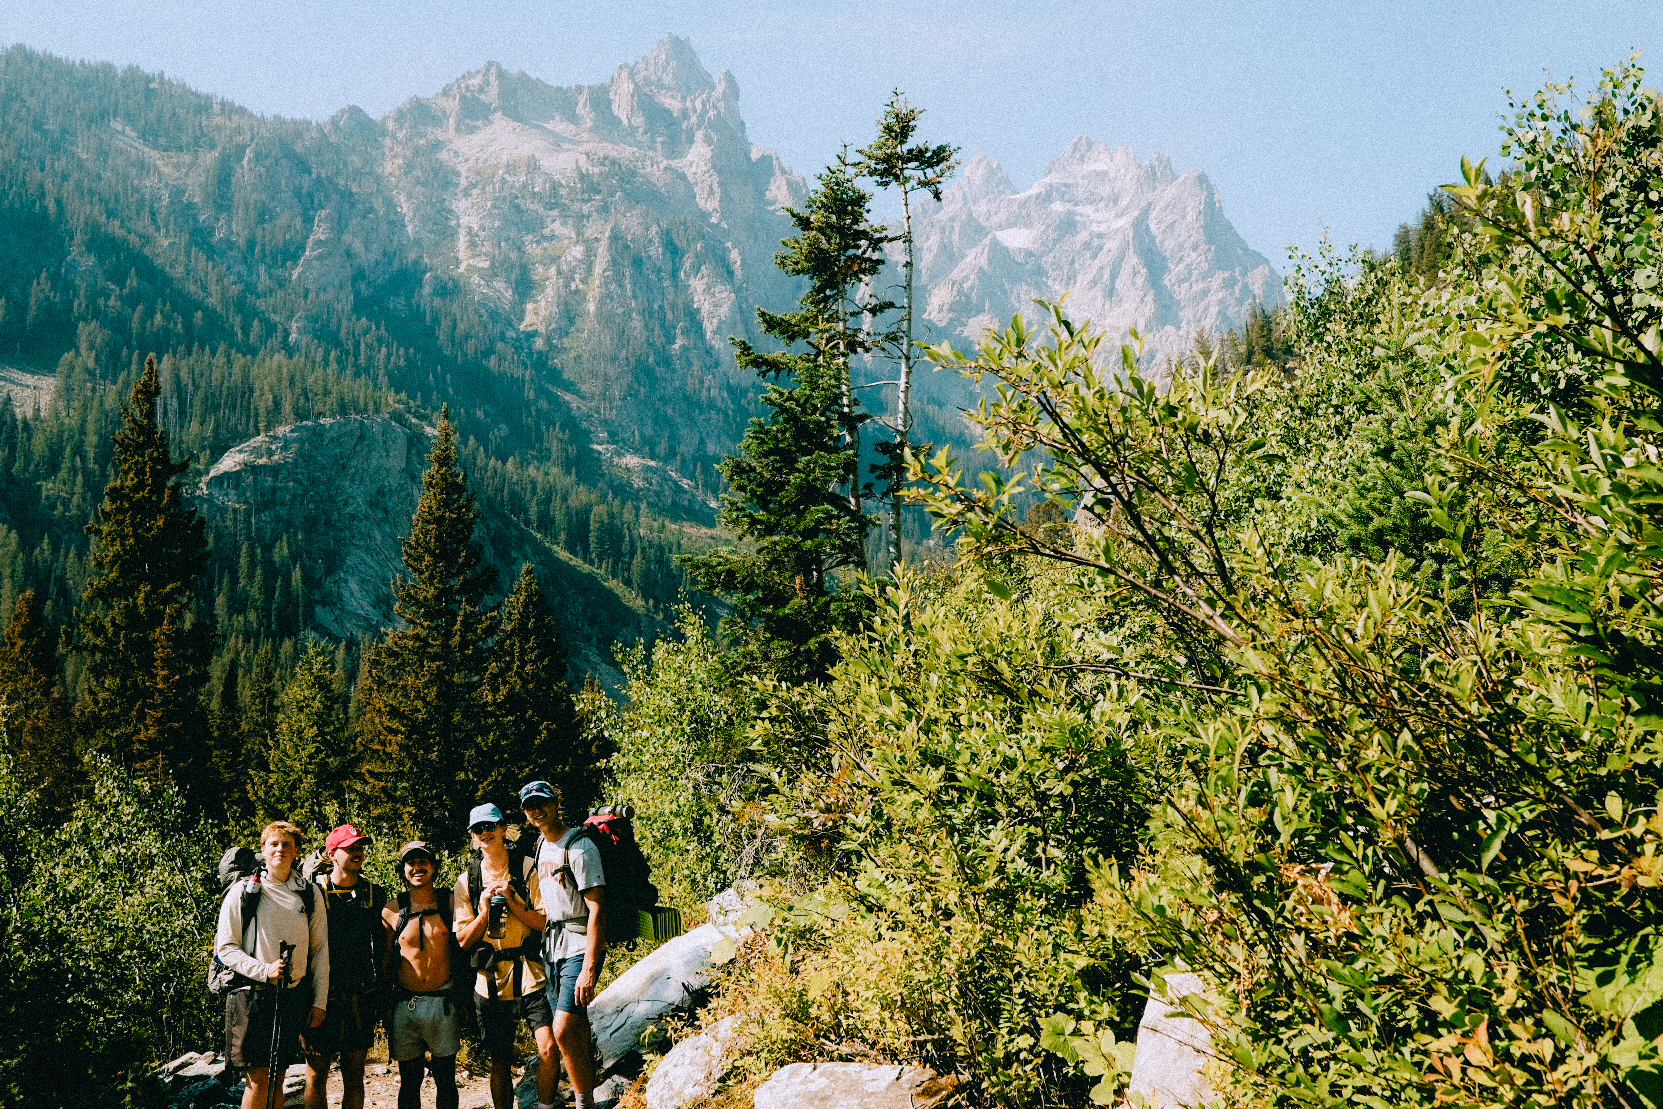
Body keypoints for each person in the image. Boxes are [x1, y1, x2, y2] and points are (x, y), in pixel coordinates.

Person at [215, 821, 330, 1109]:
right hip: (252, 994)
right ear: (263, 850)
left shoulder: (309, 892)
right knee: (258, 1078)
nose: (280, 849)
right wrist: (265, 970)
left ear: (296, 851)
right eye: (274, 844)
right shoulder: (244, 891)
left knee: (278, 1076)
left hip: (293, 995)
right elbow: (226, 948)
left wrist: (320, 1002)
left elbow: (319, 950)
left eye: (287, 844)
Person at [454, 803, 557, 1109]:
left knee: (548, 1048)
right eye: (478, 829)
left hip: (530, 970)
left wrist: (512, 902)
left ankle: (545, 1106)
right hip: (489, 977)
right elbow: (462, 941)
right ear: (472, 836)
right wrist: (485, 910)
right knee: (499, 1058)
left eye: (490, 826)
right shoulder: (467, 881)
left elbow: (545, 922)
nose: (485, 833)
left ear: (502, 828)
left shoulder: (526, 868)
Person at [519, 781, 606, 1109]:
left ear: (556, 803)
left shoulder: (580, 847)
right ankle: (590, 1098)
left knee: (563, 1031)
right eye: (530, 807)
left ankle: (584, 1103)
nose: (537, 811)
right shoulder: (541, 844)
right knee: (577, 1033)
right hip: (553, 950)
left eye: (542, 803)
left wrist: (589, 967)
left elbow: (597, 907)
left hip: (579, 947)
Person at [304, 824, 387, 1109]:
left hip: (361, 996)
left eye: (360, 847)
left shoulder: (375, 894)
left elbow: (384, 946)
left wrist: (382, 993)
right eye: (350, 848)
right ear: (332, 854)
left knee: (355, 1075)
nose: (357, 852)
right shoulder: (313, 892)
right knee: (316, 1075)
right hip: (320, 996)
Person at [382, 841, 461, 1109]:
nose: (417, 867)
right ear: (402, 869)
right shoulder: (392, 909)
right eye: (411, 863)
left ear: (434, 867)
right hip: (405, 1003)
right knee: (409, 1079)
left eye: (423, 861)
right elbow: (384, 961)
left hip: (443, 1002)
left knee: (446, 1078)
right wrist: (383, 1004)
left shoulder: (450, 902)